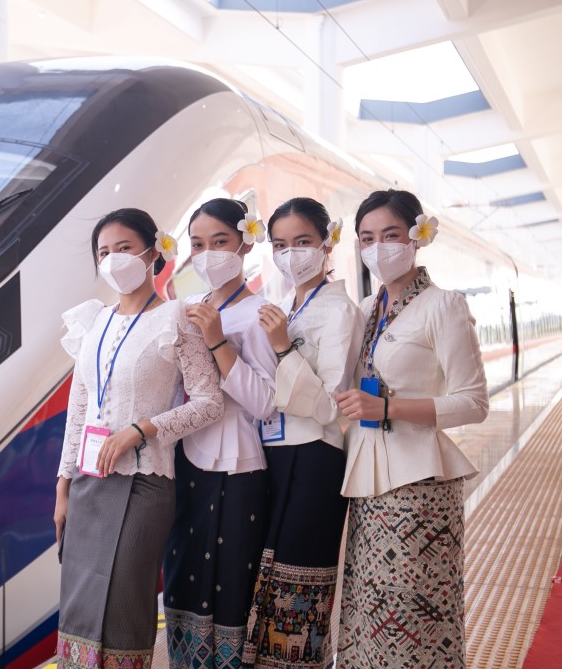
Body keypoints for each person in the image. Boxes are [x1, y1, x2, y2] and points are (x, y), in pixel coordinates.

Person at [54, 207, 226, 669]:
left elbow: (210, 402)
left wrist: (141, 430)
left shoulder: (176, 319)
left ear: (153, 252)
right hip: (88, 482)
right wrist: (63, 485)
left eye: (124, 248)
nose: (113, 259)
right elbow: (78, 411)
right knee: (79, 603)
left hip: (145, 482)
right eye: (103, 252)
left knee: (125, 600)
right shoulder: (92, 322)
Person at [334, 189, 489, 668]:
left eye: (391, 234)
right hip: (368, 485)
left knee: (413, 613)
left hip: (419, 487)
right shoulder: (366, 309)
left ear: (416, 237)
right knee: (367, 609)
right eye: (367, 238)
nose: (378, 247)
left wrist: (389, 408)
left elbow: (474, 403)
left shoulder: (443, 305)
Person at [242, 197, 364, 668]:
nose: (290, 254)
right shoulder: (282, 306)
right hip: (271, 454)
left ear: (326, 243)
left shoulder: (340, 311)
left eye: (302, 241)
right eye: (279, 245)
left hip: (314, 457)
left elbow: (331, 404)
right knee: (265, 578)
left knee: (301, 579)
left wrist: (281, 347)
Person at [164, 197, 277, 668]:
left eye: (220, 241)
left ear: (245, 244)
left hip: (237, 465)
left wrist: (216, 342)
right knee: (183, 574)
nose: (207, 254)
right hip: (185, 460)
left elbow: (265, 402)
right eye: (197, 244)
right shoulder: (186, 309)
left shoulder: (260, 313)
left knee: (231, 581)